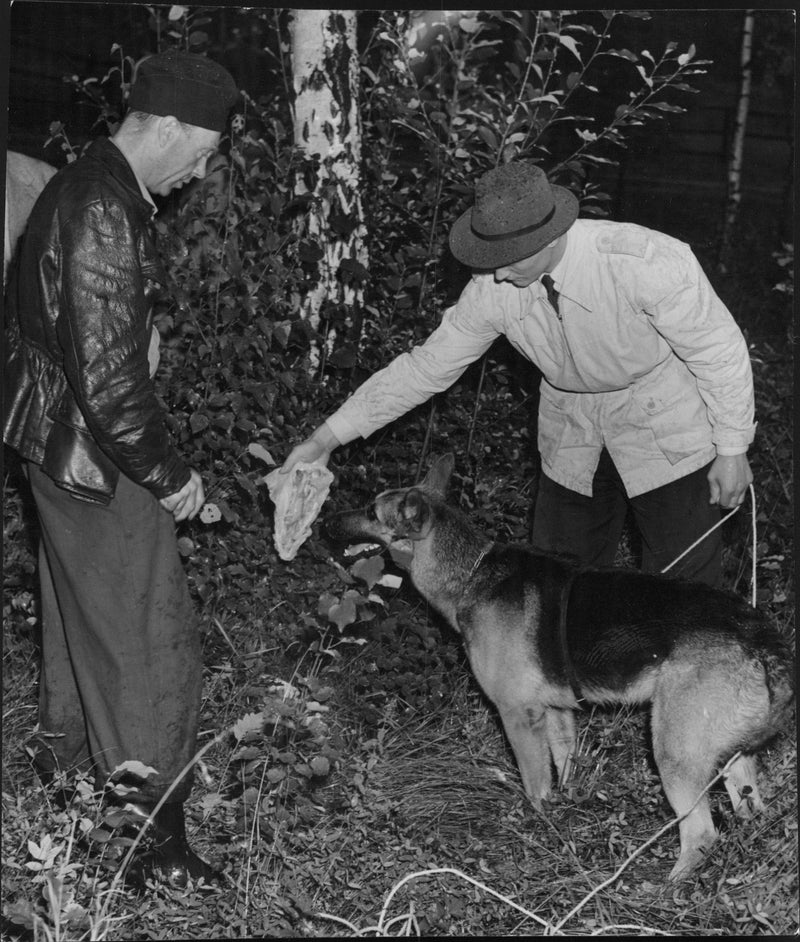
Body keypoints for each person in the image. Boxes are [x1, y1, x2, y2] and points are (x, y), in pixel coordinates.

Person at [281, 160, 755, 587]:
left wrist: (732, 448)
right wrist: (324, 440)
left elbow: (720, 350)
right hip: (573, 433)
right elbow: (424, 368)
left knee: (683, 593)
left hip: (667, 426)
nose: (499, 276)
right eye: (490, 261)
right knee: (556, 591)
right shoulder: (493, 287)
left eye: (509, 261)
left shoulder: (642, 262)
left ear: (550, 238)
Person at [3, 49, 238, 889]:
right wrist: (169, 476)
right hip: (97, 456)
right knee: (145, 639)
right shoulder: (102, 205)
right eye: (203, 149)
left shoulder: (92, 187)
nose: (202, 171)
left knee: (80, 626)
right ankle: (150, 844)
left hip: (54, 445)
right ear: (167, 126)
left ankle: (71, 785)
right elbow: (109, 381)